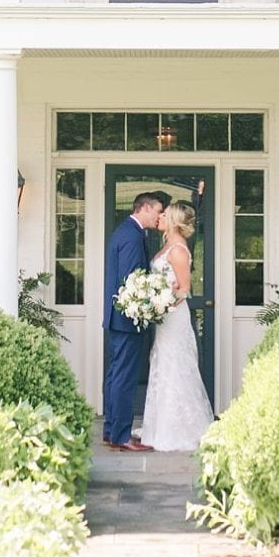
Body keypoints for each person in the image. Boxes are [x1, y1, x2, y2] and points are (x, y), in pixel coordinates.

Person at [138, 199, 215, 451]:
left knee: (176, 365)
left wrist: (162, 303)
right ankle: (159, 426)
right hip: (164, 319)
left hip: (174, 317)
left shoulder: (179, 250)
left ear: (173, 220)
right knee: (162, 364)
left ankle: (181, 430)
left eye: (164, 215)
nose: (159, 217)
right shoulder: (166, 245)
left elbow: (184, 289)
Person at [102, 191, 165, 451]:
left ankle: (111, 431)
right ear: (145, 208)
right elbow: (132, 280)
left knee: (116, 375)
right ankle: (121, 436)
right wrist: (143, 307)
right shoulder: (130, 236)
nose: (160, 216)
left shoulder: (127, 231)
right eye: (158, 211)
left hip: (118, 320)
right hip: (127, 319)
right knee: (124, 378)